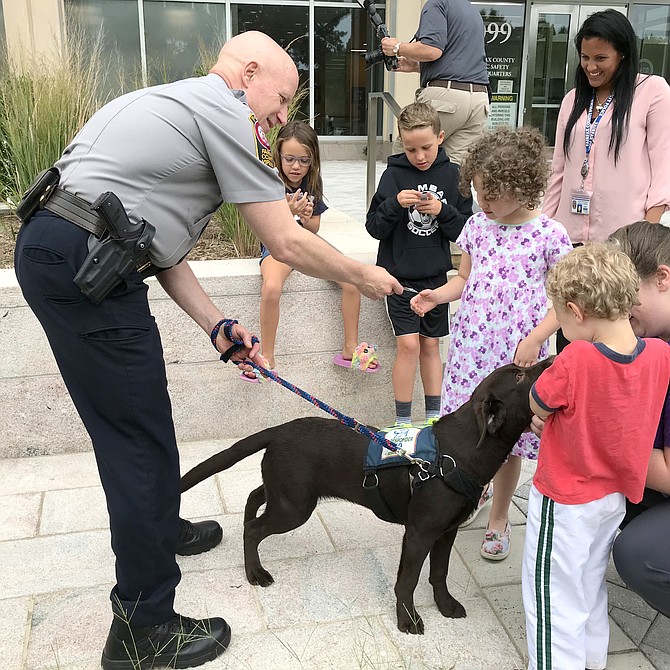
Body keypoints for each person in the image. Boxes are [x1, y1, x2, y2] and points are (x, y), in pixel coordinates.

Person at [13, 31, 401, 670]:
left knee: (142, 423)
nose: (281, 119)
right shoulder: (224, 109)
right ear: (250, 72)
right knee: (136, 441)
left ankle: (160, 531)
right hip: (86, 263)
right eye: (281, 100)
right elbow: (286, 241)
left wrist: (219, 326)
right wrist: (364, 275)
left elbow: (150, 242)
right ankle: (144, 626)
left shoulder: (159, 101)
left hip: (69, 252)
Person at [410, 127, 572, 560]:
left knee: (506, 440)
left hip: (518, 358)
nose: (482, 204)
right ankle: (470, 490)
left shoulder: (550, 236)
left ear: (522, 187)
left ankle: (500, 515)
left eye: (492, 196)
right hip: (470, 352)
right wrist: (437, 296)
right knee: (469, 430)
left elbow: (565, 302)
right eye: (478, 193)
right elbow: (463, 279)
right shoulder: (478, 226)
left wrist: (537, 338)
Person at [524, 243, 670, 670]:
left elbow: (538, 404)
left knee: (551, 593)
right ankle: (591, 660)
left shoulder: (577, 358)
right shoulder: (660, 355)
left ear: (576, 310)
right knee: (588, 583)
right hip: (613, 500)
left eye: (561, 317)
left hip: (566, 498)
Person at [366, 102, 471, 427]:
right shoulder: (393, 175)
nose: (420, 155)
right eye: (411, 149)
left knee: (430, 346)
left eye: (426, 147)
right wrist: (394, 204)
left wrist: (442, 211)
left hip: (437, 281)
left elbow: (468, 232)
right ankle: (401, 423)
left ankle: (433, 419)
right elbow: (374, 228)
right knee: (408, 344)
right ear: (402, 143)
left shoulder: (453, 175)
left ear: (440, 137)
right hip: (399, 279)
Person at [256, 121, 373, 374]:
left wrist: (307, 218)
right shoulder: (269, 179)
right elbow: (265, 223)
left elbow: (314, 228)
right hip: (278, 245)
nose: (296, 166)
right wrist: (287, 211)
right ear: (279, 155)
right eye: (289, 159)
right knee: (272, 287)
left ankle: (350, 348)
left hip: (305, 244)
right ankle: (267, 356)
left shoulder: (311, 180)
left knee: (351, 280)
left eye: (304, 160)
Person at [543, 9, 670, 241]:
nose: (591, 67)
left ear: (622, 54)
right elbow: (558, 170)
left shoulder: (652, 92)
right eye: (585, 57)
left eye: (600, 58)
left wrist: (647, 236)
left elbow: (664, 168)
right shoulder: (572, 99)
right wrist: (545, 227)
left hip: (624, 238)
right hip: (569, 236)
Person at [607, 221, 670, 621]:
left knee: (640, 554)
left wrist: (599, 430)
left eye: (626, 298)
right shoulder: (651, 339)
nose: (618, 314)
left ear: (662, 277)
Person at [380, 0, 490, 166]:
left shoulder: (437, 3)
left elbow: (432, 50)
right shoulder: (471, 11)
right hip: (479, 101)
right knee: (454, 171)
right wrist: (417, 67)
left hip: (446, 99)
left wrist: (397, 47)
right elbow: (458, 60)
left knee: (406, 154)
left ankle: (405, 193)